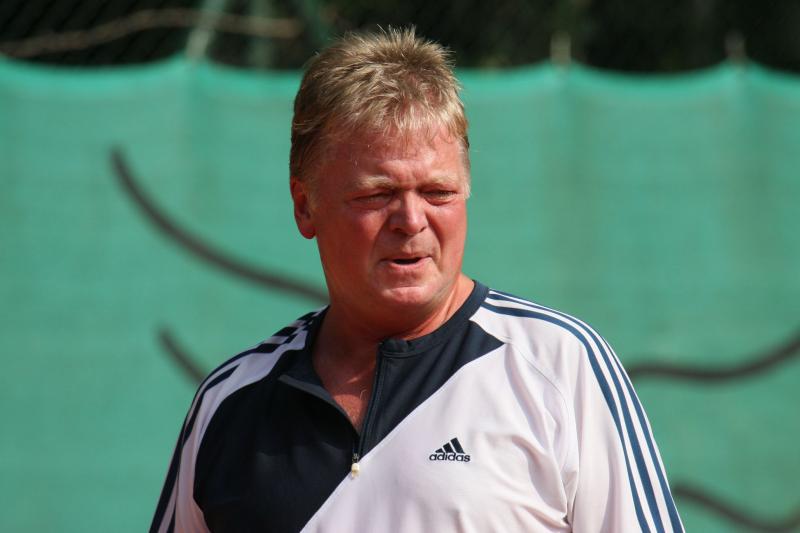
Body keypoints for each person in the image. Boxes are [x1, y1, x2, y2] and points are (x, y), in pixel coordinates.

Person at [151, 27, 684, 533]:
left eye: (437, 193)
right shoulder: (229, 402)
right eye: (376, 194)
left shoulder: (559, 366)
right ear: (305, 205)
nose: (411, 220)